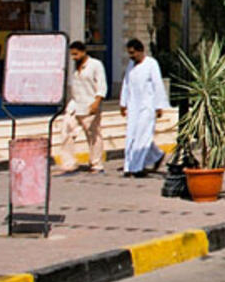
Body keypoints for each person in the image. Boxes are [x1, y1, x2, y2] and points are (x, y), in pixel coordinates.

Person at [119, 39, 167, 178]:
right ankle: (138, 162)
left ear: (140, 51)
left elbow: (158, 85)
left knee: (143, 136)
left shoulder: (151, 64)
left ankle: (137, 167)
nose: (131, 56)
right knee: (131, 136)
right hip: (134, 106)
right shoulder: (131, 65)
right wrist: (123, 103)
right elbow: (126, 84)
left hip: (148, 106)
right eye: (129, 53)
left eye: (133, 53)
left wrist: (159, 106)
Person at [58, 41, 108, 174]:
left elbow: (102, 85)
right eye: (72, 55)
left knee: (93, 135)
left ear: (83, 52)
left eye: (76, 54)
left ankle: (96, 164)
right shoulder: (76, 67)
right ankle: (69, 164)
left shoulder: (95, 65)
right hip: (75, 105)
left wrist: (97, 102)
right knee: (66, 132)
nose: (74, 57)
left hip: (90, 105)